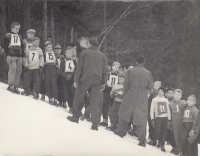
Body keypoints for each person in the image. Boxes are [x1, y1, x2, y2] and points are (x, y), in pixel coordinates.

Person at [67, 37, 109, 131]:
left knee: (78, 97)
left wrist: (76, 80)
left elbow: (79, 67)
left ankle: (75, 117)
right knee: (95, 102)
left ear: (89, 44)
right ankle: (95, 124)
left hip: (85, 79)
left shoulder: (84, 53)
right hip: (97, 81)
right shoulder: (103, 55)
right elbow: (106, 70)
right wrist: (104, 82)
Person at [115, 55, 153, 147]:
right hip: (142, 95)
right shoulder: (148, 73)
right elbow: (150, 87)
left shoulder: (130, 71)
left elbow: (126, 84)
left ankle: (120, 131)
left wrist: (125, 92)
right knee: (141, 116)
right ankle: (142, 140)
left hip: (131, 92)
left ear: (136, 62)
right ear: (144, 62)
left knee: (125, 111)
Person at [3, 22, 25, 94]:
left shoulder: (20, 37)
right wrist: (8, 55)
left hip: (19, 56)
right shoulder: (8, 36)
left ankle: (16, 86)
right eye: (16, 28)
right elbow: (5, 46)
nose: (17, 30)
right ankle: (10, 85)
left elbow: (22, 47)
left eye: (18, 29)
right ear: (12, 28)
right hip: (12, 55)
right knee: (13, 69)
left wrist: (23, 56)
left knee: (19, 70)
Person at [148, 86, 171, 152]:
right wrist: (152, 119)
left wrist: (169, 119)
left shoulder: (166, 100)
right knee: (157, 131)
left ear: (164, 93)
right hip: (158, 118)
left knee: (164, 131)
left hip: (165, 117)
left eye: (162, 91)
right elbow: (152, 110)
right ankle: (153, 140)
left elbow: (168, 110)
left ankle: (162, 144)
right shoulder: (154, 99)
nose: (160, 92)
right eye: (159, 91)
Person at [100, 61, 120, 127]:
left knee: (112, 107)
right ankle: (105, 120)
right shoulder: (109, 74)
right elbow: (105, 80)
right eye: (115, 66)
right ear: (112, 67)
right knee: (105, 105)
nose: (116, 68)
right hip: (107, 91)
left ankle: (113, 122)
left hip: (115, 93)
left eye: (117, 67)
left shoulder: (119, 75)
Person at [169, 89, 187, 155]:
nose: (177, 96)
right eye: (176, 94)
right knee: (175, 135)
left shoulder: (183, 102)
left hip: (181, 120)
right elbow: (169, 113)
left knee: (181, 135)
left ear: (181, 96)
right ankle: (177, 148)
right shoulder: (170, 103)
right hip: (174, 120)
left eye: (179, 95)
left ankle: (181, 149)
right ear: (174, 95)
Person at [60, 46, 77, 111]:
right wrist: (66, 76)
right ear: (65, 54)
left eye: (71, 53)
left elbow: (76, 69)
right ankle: (70, 107)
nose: (70, 54)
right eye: (68, 53)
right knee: (67, 93)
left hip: (72, 78)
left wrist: (71, 75)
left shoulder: (74, 61)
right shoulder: (63, 61)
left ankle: (75, 107)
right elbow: (60, 71)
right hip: (65, 79)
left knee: (73, 92)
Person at [43, 39, 59, 105]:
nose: (50, 48)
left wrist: (57, 68)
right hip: (47, 68)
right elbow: (43, 62)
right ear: (46, 48)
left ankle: (55, 98)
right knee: (47, 82)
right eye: (48, 47)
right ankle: (50, 97)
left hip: (53, 68)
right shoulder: (44, 54)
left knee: (54, 83)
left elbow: (56, 62)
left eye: (51, 47)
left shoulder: (54, 54)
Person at [21, 29, 36, 96]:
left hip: (33, 60)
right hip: (26, 59)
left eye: (33, 34)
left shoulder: (35, 42)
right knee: (25, 74)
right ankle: (26, 89)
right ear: (27, 34)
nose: (32, 35)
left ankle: (32, 89)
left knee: (32, 75)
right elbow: (22, 49)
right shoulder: (24, 41)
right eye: (30, 34)